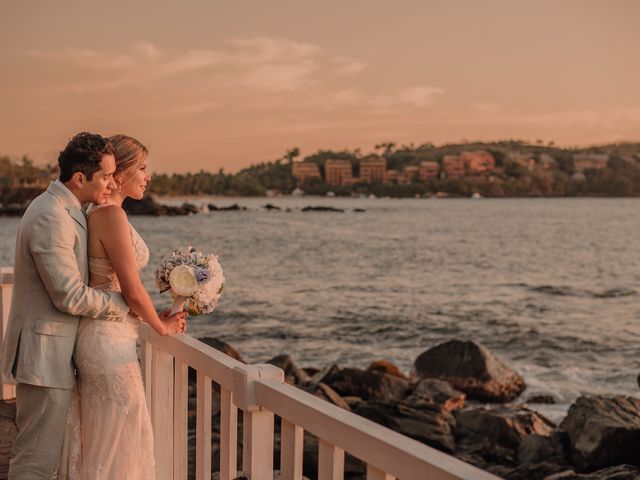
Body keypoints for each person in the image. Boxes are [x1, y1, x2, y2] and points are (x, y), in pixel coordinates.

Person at [0, 132, 186, 480]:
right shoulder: (50, 215)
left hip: (68, 348)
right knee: (36, 462)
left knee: (81, 445)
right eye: (105, 176)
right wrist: (136, 312)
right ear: (81, 178)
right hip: (47, 353)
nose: (111, 181)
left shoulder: (76, 212)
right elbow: (69, 294)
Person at [60, 134, 185, 479]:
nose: (148, 176)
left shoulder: (95, 212)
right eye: (142, 168)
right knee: (123, 432)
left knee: (109, 434)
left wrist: (143, 315)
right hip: (107, 343)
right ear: (122, 173)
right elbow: (130, 289)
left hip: (104, 334)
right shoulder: (111, 215)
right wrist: (162, 327)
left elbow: (108, 284)